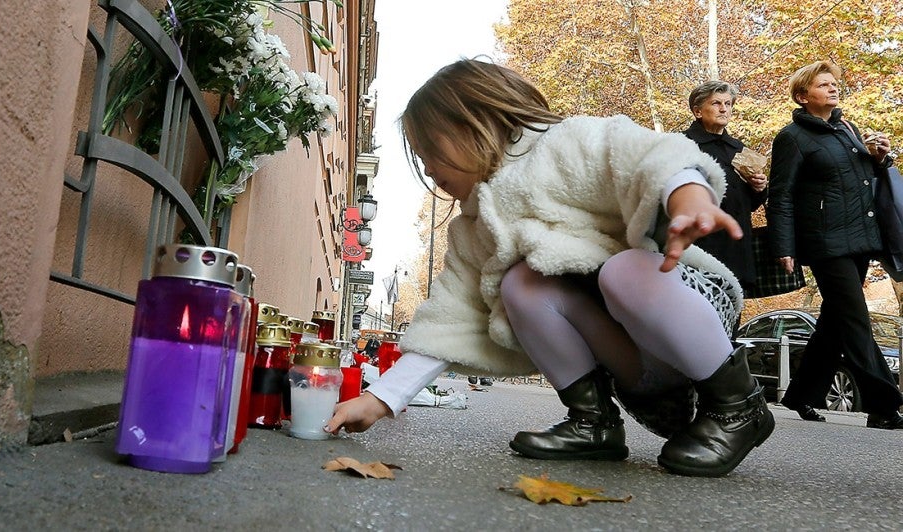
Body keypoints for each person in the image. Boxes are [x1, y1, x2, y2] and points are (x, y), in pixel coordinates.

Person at [325, 58, 775, 477]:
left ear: (470, 122)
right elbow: (450, 315)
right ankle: (592, 420)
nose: (426, 168)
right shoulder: (474, 226)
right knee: (520, 282)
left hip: (690, 309)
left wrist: (688, 198)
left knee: (623, 271)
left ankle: (738, 405)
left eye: (429, 150)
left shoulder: (567, 143)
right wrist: (380, 398)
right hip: (637, 363)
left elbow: (650, 156)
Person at [767, 60, 903, 429]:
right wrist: (784, 247)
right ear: (803, 96)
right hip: (825, 241)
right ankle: (884, 405)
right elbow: (781, 195)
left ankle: (801, 395)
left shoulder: (847, 128)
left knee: (835, 321)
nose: (832, 88)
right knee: (856, 318)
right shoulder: (792, 137)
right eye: (823, 85)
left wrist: (878, 157)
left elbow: (862, 180)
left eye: (834, 83)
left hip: (860, 237)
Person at [683, 81, 768, 301]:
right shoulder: (682, 145)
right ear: (697, 111)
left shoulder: (737, 148)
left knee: (732, 320)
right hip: (699, 250)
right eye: (716, 103)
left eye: (728, 104)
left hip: (737, 249)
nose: (724, 109)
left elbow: (748, 204)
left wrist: (758, 188)